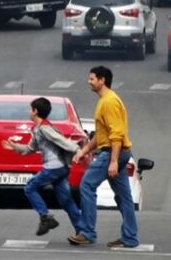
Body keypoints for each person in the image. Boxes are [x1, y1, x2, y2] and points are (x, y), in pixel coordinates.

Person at [68, 66, 138, 249]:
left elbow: (116, 134)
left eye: (92, 79)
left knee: (86, 185)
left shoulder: (109, 102)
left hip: (112, 153)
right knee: (123, 197)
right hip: (118, 152)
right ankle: (130, 237)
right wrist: (83, 151)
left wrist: (113, 161)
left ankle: (87, 232)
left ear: (102, 80)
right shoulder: (105, 100)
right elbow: (101, 135)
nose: (89, 82)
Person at [1, 97, 84, 238]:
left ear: (35, 111)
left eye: (30, 109)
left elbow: (61, 140)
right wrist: (14, 147)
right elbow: (30, 149)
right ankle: (82, 231)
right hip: (60, 168)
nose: (29, 112)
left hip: (53, 168)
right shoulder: (37, 129)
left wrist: (78, 150)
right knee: (66, 201)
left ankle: (45, 218)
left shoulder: (45, 128)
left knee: (29, 187)